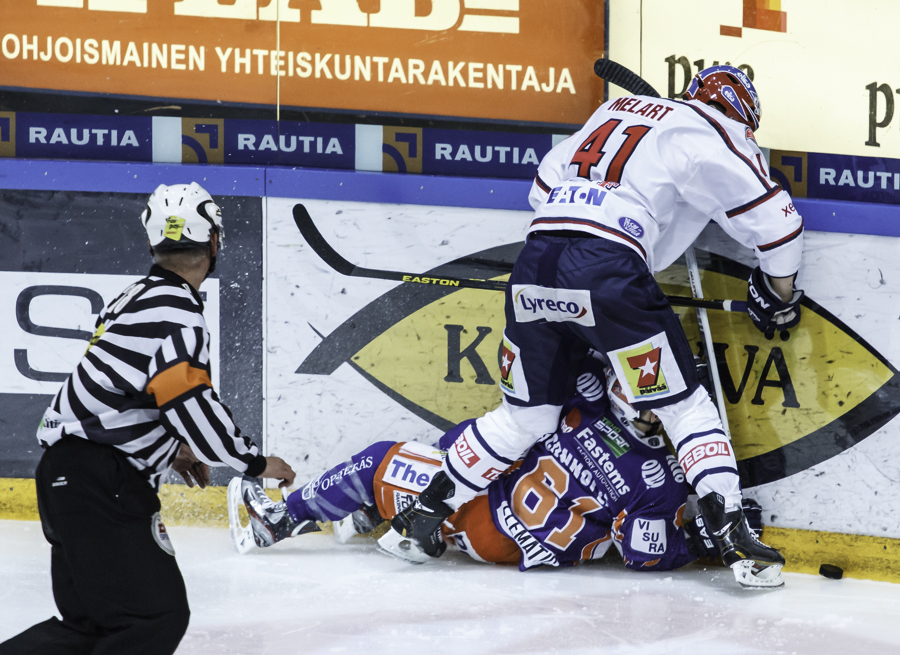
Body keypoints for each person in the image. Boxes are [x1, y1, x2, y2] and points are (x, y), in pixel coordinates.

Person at [379, 65, 801, 588]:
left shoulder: (611, 111)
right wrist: (779, 295)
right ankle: (736, 542)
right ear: (741, 117)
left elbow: (542, 188)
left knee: (524, 419)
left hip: (535, 262)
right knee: (683, 405)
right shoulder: (713, 128)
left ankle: (417, 521)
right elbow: (779, 224)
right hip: (607, 271)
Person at [0, 183, 296, 655]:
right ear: (214, 242)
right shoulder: (179, 313)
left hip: (68, 477)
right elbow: (193, 407)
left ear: (154, 243)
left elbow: (121, 394)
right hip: (102, 483)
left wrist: (170, 449)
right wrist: (257, 463)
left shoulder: (135, 296)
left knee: (92, 627)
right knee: (154, 617)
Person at [229, 354, 762, 579]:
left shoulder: (587, 395)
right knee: (453, 452)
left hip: (484, 513)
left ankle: (274, 522)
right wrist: (701, 542)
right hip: (526, 549)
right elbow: (643, 552)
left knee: (379, 461)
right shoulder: (665, 480)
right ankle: (398, 520)